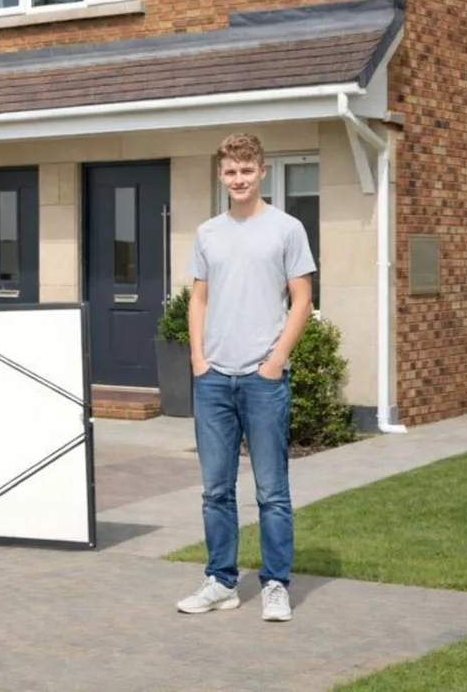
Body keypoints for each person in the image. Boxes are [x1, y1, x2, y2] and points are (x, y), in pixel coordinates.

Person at [175, 132, 316, 623]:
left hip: (263, 380)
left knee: (271, 491)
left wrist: (275, 362)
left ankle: (276, 584)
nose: (239, 179)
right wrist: (198, 359)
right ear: (221, 175)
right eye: (231, 171)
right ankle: (221, 582)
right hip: (213, 379)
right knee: (215, 490)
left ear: (262, 172)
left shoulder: (287, 229)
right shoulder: (208, 233)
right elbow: (198, 298)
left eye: (247, 170)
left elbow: (303, 299)